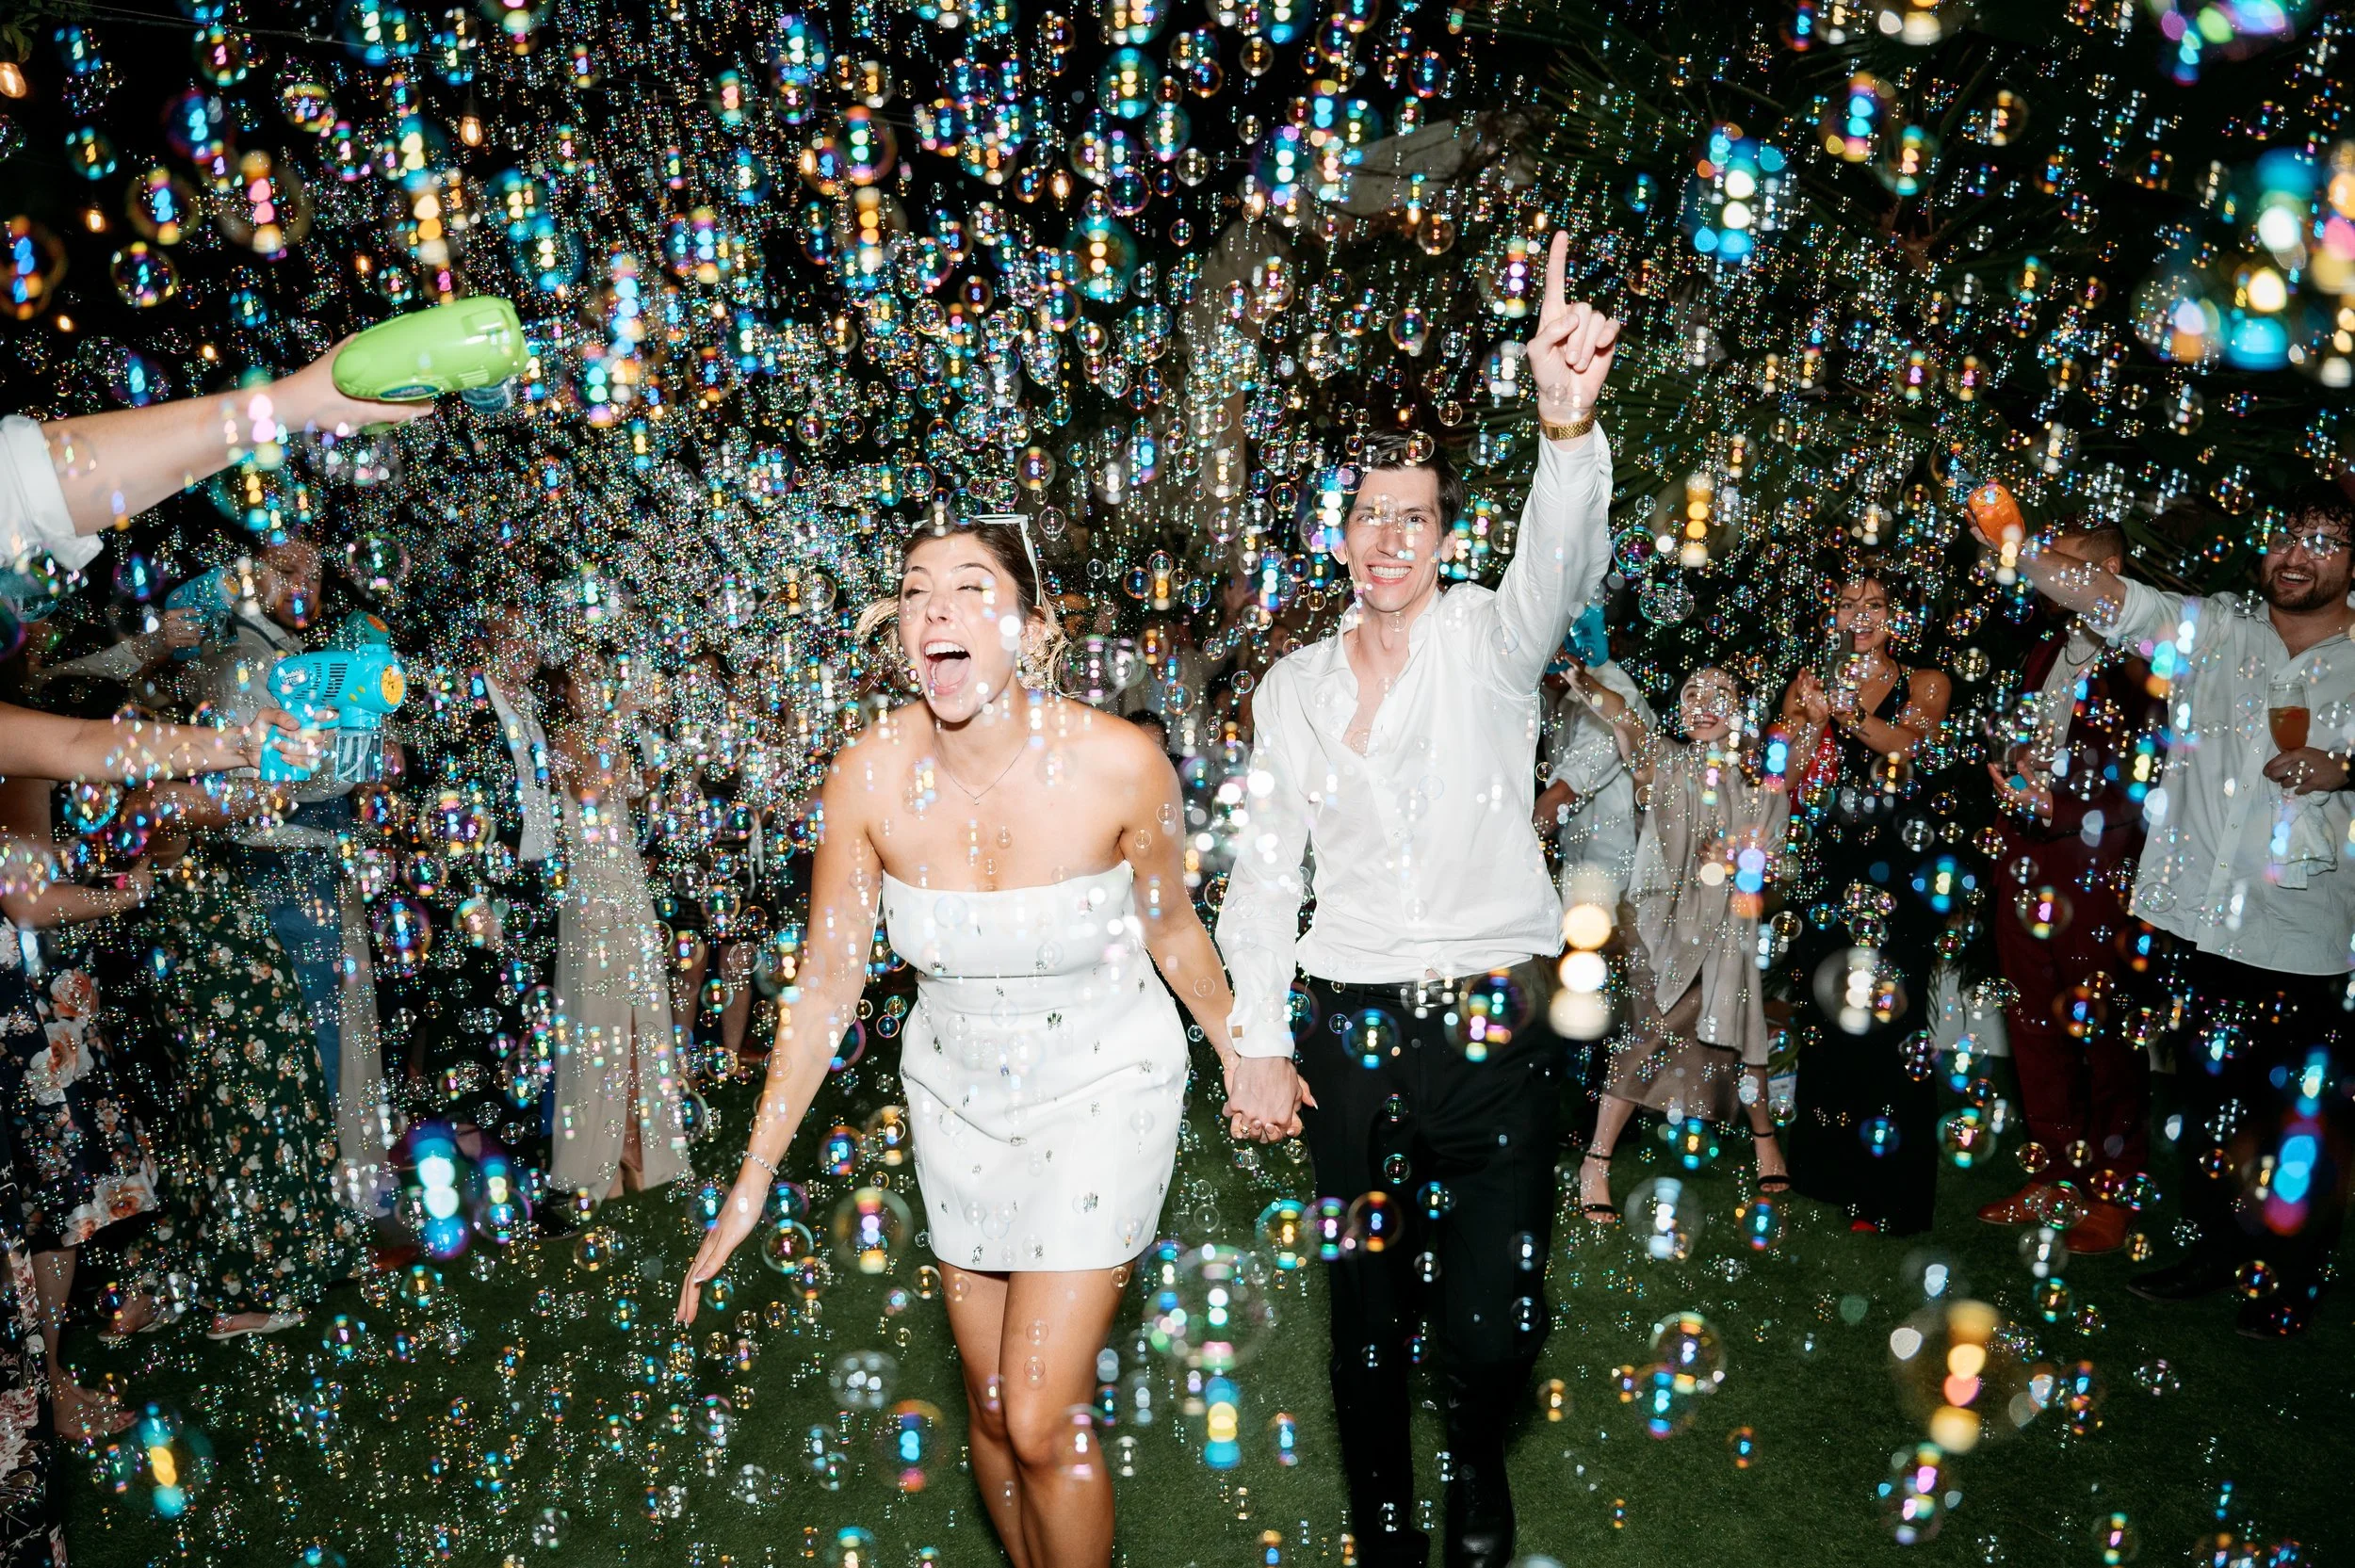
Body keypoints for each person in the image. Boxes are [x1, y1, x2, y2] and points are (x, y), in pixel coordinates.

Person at [677, 512, 1259, 1568]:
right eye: (913, 589)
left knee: (1041, 1416)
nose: (933, 606)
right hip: (956, 1100)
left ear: (1035, 631)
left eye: (971, 586)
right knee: (990, 1414)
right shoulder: (864, 776)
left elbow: (1173, 927)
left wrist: (1240, 1046)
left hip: (1103, 1085)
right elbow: (825, 989)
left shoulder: (1122, 764)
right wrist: (755, 1172)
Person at [1215, 230, 1619, 1568]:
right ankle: (1388, 1520)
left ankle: (1476, 1463)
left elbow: (1559, 570)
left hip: (1495, 1029)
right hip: (1346, 1029)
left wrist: (1567, 428)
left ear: (1450, 536)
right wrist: (1260, 1040)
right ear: (1338, 533)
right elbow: (1265, 875)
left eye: (1415, 515)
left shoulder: (1491, 651)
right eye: (1366, 512)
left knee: (1492, 1314)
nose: (1387, 537)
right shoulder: (1290, 690)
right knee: (1364, 1304)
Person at [2014, 483, 2355, 1336]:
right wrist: (2019, 544)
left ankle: (2291, 1280)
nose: (2296, 554)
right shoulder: (2222, 632)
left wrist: (2344, 770)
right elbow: (2119, 603)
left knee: (2297, 1129)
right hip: (2201, 924)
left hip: (2307, 939)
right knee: (2210, 1111)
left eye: (2322, 541)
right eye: (2287, 535)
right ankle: (2214, 1247)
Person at [1976, 519, 2164, 1254]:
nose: (2048, 574)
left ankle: (2113, 1192)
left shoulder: (2145, 660)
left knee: (2105, 1032)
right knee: (2032, 1022)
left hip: (2101, 871)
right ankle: (2052, 1174)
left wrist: (2062, 806)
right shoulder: (2048, 649)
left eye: (2067, 563)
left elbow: (2150, 777)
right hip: (2025, 857)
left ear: (2112, 567)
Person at [1570, 667, 1793, 1218]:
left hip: (1727, 928)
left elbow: (1782, 863)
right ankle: (1595, 1160)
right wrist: (1585, 677)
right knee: (1646, 1035)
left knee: (1743, 1030)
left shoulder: (1762, 783)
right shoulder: (1663, 760)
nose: (1704, 703)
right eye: (1692, 693)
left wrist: (1747, 862)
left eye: (1720, 694)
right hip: (1658, 925)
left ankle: (1766, 1141)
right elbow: (1620, 714)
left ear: (1740, 707)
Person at [1778, 562, 1953, 1236]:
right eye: (1848, 602)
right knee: (1827, 1017)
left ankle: (1890, 1194)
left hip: (1896, 871)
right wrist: (1802, 721)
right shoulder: (1810, 680)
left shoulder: (1926, 681)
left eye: (1875, 603)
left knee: (1890, 1025)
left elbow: (1907, 748)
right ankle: (1827, 1174)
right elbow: (1787, 775)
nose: (1861, 615)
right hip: (1828, 865)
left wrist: (1844, 712)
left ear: (1896, 616)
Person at [0, 778, 163, 1439]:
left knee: (50, 1205)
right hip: (32, 1015)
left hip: (52, 1003)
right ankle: (50, 1388)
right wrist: (126, 894)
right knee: (54, 1205)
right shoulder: (24, 755)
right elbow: (29, 902)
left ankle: (48, 1381)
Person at [539, 655, 692, 1199]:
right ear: (564, 688)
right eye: (583, 676)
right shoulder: (561, 738)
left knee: (641, 1013)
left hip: (626, 882)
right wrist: (620, 717)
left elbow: (635, 789)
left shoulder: (603, 733)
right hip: (593, 894)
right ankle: (597, 1156)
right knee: (601, 1020)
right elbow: (590, 788)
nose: (596, 682)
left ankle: (643, 1143)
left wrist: (675, 761)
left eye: (597, 674)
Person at [1532, 605, 1649, 910]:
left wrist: (1513, 849)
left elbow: (1568, 786)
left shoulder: (1612, 690)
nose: (1548, 662)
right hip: (1578, 873)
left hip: (1618, 886)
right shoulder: (1552, 692)